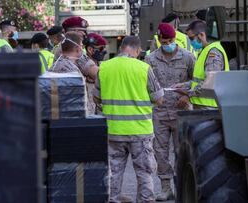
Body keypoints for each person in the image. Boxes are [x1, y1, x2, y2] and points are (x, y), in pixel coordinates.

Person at [93, 36, 164, 203]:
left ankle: (112, 200)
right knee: (144, 173)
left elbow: (96, 98)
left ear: (121, 48)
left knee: (113, 174)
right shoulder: (143, 68)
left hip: (113, 131)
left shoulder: (104, 67)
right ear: (137, 50)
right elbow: (159, 99)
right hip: (140, 131)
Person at [145, 23, 195, 201]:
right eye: (163, 41)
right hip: (159, 112)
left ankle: (180, 185)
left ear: (175, 39)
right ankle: (166, 187)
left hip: (181, 112)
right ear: (158, 40)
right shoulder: (150, 59)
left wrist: (187, 96)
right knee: (160, 151)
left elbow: (196, 82)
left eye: (169, 40)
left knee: (182, 150)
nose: (166, 44)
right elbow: (147, 85)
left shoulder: (188, 57)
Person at [176, 20, 230, 109]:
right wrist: (185, 85)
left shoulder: (213, 52)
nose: (190, 41)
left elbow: (210, 81)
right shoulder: (205, 50)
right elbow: (200, 79)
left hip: (210, 107)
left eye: (191, 38)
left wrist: (189, 94)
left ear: (201, 35)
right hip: (204, 106)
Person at [54, 16, 99, 115]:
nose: (85, 34)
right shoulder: (71, 49)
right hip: (75, 110)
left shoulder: (63, 47)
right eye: (82, 31)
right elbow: (95, 73)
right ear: (73, 31)